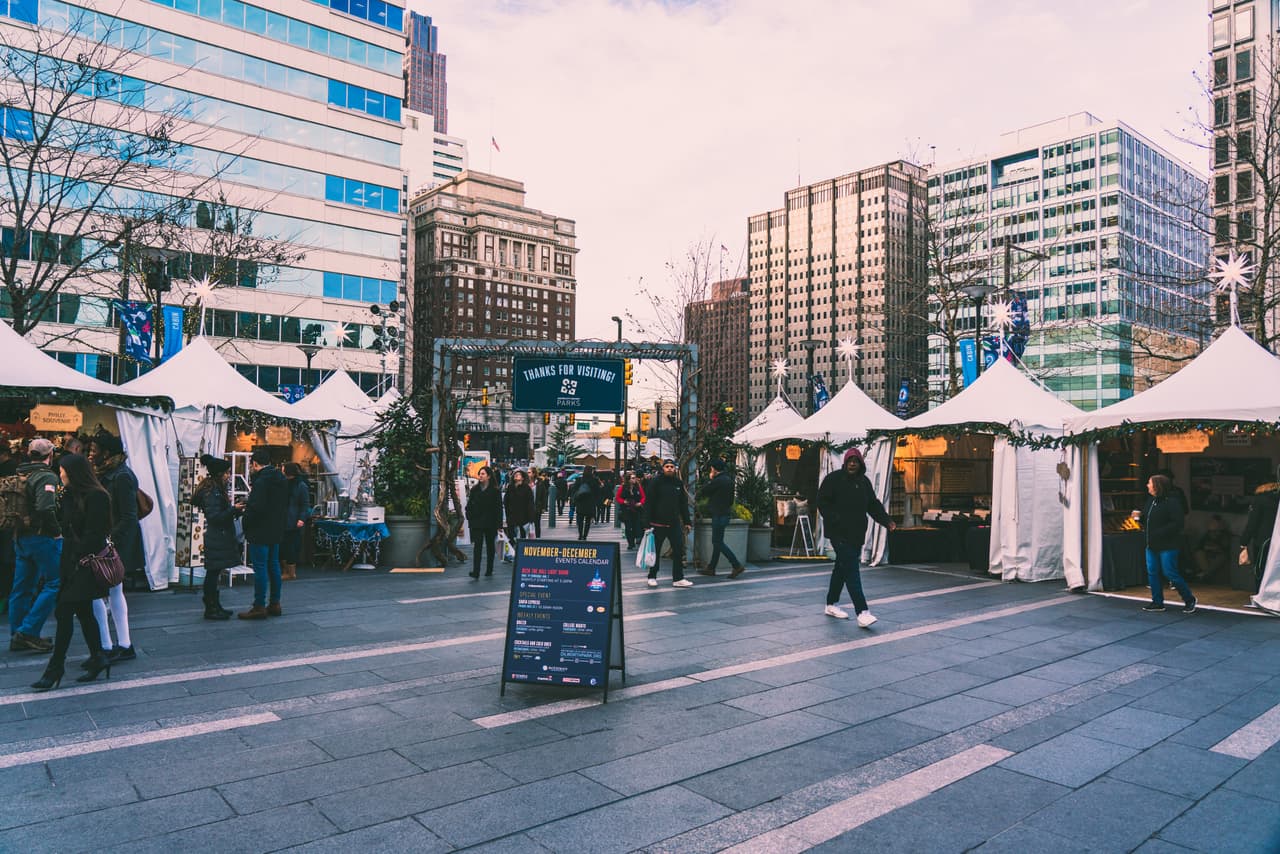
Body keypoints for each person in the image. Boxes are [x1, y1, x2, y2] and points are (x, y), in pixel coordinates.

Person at [31, 454, 110, 691]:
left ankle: (55, 668)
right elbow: (62, 524)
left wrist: (78, 558)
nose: (60, 474)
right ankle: (98, 657)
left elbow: (95, 534)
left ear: (74, 472)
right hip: (69, 563)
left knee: (64, 613)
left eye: (63, 470)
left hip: (84, 564)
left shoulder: (97, 496)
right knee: (84, 613)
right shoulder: (70, 495)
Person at [817, 448, 896, 626]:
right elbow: (822, 502)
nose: (853, 463)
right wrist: (835, 518)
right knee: (852, 569)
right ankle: (862, 611)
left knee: (841, 568)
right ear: (845, 462)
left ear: (860, 464)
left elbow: (873, 505)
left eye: (856, 461)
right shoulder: (833, 479)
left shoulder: (864, 482)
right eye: (850, 460)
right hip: (838, 533)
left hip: (856, 534)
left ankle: (830, 604)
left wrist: (887, 521)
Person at [88, 432, 142, 662]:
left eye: (94, 449)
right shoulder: (109, 473)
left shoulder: (121, 476)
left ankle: (114, 645)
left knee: (106, 591)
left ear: (107, 452)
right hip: (111, 541)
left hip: (114, 543)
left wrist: (109, 540)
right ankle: (117, 644)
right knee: (110, 591)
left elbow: (129, 515)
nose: (90, 453)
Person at [8, 438, 62, 653]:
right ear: (50, 455)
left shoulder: (20, 472)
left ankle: (17, 633)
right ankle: (28, 631)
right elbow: (45, 508)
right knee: (54, 582)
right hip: (41, 537)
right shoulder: (47, 475)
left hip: (19, 537)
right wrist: (57, 532)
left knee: (21, 588)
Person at [236, 449, 289, 619]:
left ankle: (259, 606)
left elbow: (256, 508)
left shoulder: (261, 482)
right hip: (275, 528)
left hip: (260, 530)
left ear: (255, 464)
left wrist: (246, 522)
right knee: (273, 565)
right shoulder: (281, 479)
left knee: (260, 567)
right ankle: (275, 603)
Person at [1139, 473, 1196, 614]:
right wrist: (1139, 518)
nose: (1147, 485)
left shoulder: (1172, 502)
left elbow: (1178, 523)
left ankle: (1189, 599)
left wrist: (1159, 532)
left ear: (1157, 486)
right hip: (1151, 544)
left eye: (1149, 483)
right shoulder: (1150, 501)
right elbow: (1146, 517)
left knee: (1170, 573)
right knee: (1152, 572)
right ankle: (1157, 602)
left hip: (1168, 544)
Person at [193, 455, 237, 620]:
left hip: (218, 535)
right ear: (219, 473)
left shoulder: (214, 489)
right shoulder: (213, 491)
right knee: (213, 572)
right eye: (226, 473)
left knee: (214, 571)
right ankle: (211, 607)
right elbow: (215, 517)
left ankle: (215, 605)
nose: (228, 476)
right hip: (217, 536)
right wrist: (233, 510)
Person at [645, 459, 693, 587]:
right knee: (655, 551)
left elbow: (683, 504)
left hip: (674, 524)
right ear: (663, 468)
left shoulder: (678, 483)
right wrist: (646, 524)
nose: (670, 468)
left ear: (675, 468)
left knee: (678, 550)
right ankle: (652, 576)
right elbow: (648, 503)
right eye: (667, 466)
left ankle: (678, 578)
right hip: (657, 524)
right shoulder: (655, 482)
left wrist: (687, 521)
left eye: (672, 466)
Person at [699, 458, 746, 579]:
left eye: (711, 469)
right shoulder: (729, 480)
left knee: (717, 542)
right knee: (718, 542)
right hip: (725, 513)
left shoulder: (718, 480)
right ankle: (711, 568)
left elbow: (704, 491)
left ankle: (736, 565)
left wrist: (710, 479)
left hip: (718, 514)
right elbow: (730, 500)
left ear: (714, 469)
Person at [1241, 470, 1280, 593]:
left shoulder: (1260, 499)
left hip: (1263, 540)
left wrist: (1244, 541)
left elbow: (1253, 523)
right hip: (1277, 538)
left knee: (1261, 569)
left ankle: (1261, 594)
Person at [465, 465, 502, 578]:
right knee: (478, 547)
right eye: (479, 474)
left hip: (490, 522)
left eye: (483, 474)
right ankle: (476, 571)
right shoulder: (475, 490)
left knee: (490, 547)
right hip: (477, 522)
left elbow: (498, 508)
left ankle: (489, 569)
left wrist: (499, 524)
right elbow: (469, 505)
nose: (480, 476)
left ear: (489, 476)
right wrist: (469, 516)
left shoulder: (495, 491)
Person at [281, 462, 312, 581]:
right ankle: (285, 570)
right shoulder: (284, 483)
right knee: (283, 545)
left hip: (293, 520)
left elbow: (305, 504)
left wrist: (301, 519)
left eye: (283, 470)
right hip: (284, 519)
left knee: (291, 546)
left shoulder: (301, 485)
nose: (282, 472)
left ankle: (291, 572)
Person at [1191, 514, 1232, 583]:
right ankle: (1205, 574)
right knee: (1198, 553)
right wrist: (1208, 548)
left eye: (1216, 530)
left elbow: (1226, 549)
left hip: (1220, 555)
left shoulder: (1225, 536)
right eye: (1212, 531)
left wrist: (1216, 548)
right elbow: (1200, 546)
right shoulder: (1207, 535)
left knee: (1222, 557)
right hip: (1208, 554)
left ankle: (1205, 574)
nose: (1214, 533)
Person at [615, 471, 646, 550]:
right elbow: (618, 497)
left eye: (634, 478)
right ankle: (630, 543)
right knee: (628, 527)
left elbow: (643, 497)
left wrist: (640, 503)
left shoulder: (638, 487)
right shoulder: (623, 487)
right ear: (628, 479)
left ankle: (636, 539)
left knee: (636, 526)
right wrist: (624, 501)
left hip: (636, 509)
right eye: (632, 478)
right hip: (626, 510)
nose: (634, 479)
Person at [503, 468, 536, 543]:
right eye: (515, 474)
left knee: (522, 537)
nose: (516, 475)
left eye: (518, 475)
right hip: (511, 516)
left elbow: (530, 503)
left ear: (523, 478)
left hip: (523, 516)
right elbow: (506, 501)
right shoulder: (510, 487)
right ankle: (512, 552)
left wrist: (531, 517)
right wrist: (507, 513)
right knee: (511, 537)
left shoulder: (526, 488)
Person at [573, 467, 601, 540]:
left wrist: (575, 500)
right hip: (590, 503)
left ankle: (580, 534)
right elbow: (598, 492)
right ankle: (585, 535)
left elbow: (574, 490)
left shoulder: (579, 480)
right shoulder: (594, 480)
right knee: (588, 521)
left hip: (581, 502)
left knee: (580, 519)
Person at [533, 470, 548, 538]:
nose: (528, 473)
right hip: (528, 507)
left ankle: (537, 538)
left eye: (529, 472)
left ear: (534, 474)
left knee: (537, 524)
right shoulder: (526, 483)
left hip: (537, 506)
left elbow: (544, 496)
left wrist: (544, 507)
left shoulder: (540, 483)